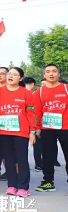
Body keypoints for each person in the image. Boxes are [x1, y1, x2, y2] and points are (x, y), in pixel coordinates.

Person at [0, 67, 36, 197]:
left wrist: (32, 131)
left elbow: (30, 112)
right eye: (9, 73)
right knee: (8, 159)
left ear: (20, 78)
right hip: (3, 131)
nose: (10, 76)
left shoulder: (26, 93)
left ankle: (23, 187)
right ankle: (12, 185)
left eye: (15, 74)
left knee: (21, 159)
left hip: (21, 132)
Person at [33, 64, 68, 192]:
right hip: (47, 128)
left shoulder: (66, 88)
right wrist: (37, 127)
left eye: (54, 71)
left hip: (65, 127)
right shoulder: (39, 91)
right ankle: (48, 182)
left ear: (59, 74)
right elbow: (37, 111)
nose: (51, 74)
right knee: (47, 156)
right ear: (44, 75)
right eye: (48, 72)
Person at [24, 77, 42, 171]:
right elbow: (36, 112)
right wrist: (37, 126)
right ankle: (38, 164)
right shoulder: (35, 94)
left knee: (23, 146)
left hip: (22, 124)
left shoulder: (21, 93)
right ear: (33, 85)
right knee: (36, 145)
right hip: (33, 123)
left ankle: (24, 165)